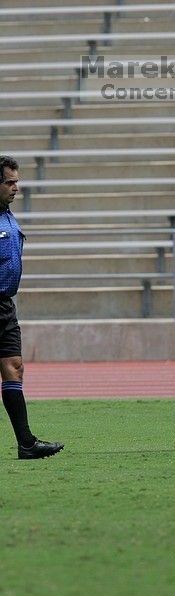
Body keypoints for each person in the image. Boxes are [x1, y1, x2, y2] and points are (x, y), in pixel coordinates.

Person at [0, 155, 64, 459]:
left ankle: (26, 444)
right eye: (9, 182)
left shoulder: (8, 216)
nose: (16, 187)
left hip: (4, 305)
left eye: (17, 181)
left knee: (14, 367)